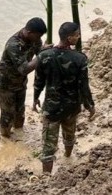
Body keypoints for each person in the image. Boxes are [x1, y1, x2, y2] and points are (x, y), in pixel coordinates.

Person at [32, 22, 95, 174]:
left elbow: (38, 82)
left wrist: (35, 99)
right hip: (71, 107)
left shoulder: (44, 56)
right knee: (69, 133)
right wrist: (90, 105)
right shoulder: (80, 59)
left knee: (48, 144)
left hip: (52, 108)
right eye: (77, 35)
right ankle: (68, 156)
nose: (79, 37)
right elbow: (84, 86)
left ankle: (46, 176)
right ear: (69, 38)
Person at [0, 17, 46, 138]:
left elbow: (39, 56)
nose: (39, 39)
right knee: (8, 113)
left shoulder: (36, 39)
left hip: (20, 81)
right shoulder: (14, 44)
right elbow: (24, 69)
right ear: (29, 32)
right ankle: (5, 138)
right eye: (37, 36)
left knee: (20, 111)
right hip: (5, 81)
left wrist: (45, 53)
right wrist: (43, 54)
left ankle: (19, 133)